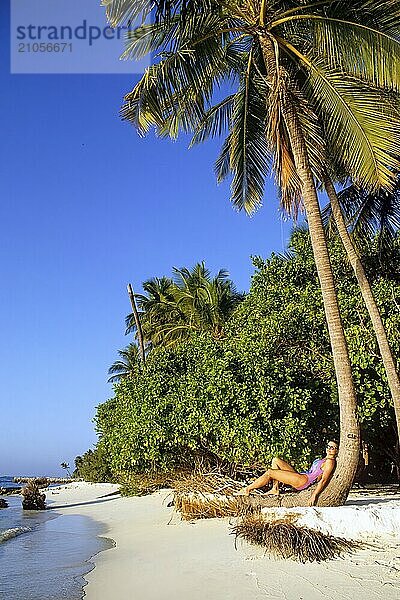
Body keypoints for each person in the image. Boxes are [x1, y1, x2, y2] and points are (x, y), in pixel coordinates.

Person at [238, 440, 338, 506]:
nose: (329, 449)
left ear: (337, 451)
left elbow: (324, 480)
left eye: (332, 447)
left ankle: (247, 489)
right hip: (301, 476)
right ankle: (275, 488)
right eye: (328, 446)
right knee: (276, 460)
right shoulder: (324, 459)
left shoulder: (330, 462)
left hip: (303, 481)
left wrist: (314, 495)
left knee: (270, 472)